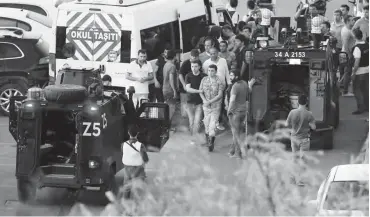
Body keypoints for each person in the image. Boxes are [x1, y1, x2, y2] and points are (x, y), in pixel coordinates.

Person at [225, 69, 256, 159]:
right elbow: (249, 92)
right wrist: (250, 85)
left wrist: (229, 111)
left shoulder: (235, 86)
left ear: (236, 77)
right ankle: (232, 151)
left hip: (235, 113)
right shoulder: (244, 83)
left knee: (236, 134)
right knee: (237, 133)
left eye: (231, 75)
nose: (230, 77)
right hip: (243, 112)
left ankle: (238, 154)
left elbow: (232, 100)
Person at [203, 47, 231, 131]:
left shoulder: (223, 61)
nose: (213, 55)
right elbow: (205, 76)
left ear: (218, 53)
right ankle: (210, 123)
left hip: (222, 87)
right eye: (211, 54)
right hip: (211, 89)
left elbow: (227, 73)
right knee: (211, 106)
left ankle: (218, 122)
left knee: (221, 106)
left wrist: (229, 84)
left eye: (214, 53)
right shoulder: (206, 63)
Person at [199, 64, 225, 152]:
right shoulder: (204, 79)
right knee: (206, 124)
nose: (210, 72)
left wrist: (209, 101)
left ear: (216, 71)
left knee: (212, 125)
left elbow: (220, 95)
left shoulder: (219, 81)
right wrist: (204, 101)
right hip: (206, 107)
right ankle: (208, 140)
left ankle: (211, 143)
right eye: (209, 71)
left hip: (215, 107)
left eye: (212, 71)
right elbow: (200, 91)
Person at [121, 124, 149, 199]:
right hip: (138, 171)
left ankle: (126, 208)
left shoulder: (123, 144)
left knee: (126, 192)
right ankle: (138, 208)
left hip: (127, 170)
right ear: (137, 133)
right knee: (138, 193)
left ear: (128, 133)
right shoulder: (141, 145)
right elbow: (146, 159)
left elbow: (124, 154)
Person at [286, 94, 316, 161]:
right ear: (306, 102)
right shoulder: (309, 114)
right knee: (304, 160)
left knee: (295, 158)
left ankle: (295, 170)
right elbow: (313, 127)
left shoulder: (292, 112)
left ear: (298, 102)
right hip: (304, 140)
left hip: (294, 138)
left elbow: (286, 124)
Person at [185, 60, 207, 145]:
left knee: (197, 121)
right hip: (189, 102)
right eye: (192, 66)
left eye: (196, 66)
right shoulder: (188, 76)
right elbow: (188, 89)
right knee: (191, 121)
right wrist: (199, 91)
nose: (193, 68)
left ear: (200, 67)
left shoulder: (203, 76)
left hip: (199, 102)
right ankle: (194, 137)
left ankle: (195, 137)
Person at [351, 28, 369, 114]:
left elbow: (357, 62)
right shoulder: (367, 45)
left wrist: (353, 73)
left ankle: (360, 108)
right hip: (367, 70)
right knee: (365, 89)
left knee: (357, 90)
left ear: (354, 37)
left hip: (359, 72)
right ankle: (367, 106)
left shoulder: (357, 48)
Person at [341, 15, 356, 96]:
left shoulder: (347, 29)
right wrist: (350, 55)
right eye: (352, 20)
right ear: (347, 22)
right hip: (347, 53)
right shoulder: (346, 31)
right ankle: (345, 90)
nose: (354, 21)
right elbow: (346, 44)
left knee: (346, 71)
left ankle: (345, 89)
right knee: (348, 72)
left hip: (345, 53)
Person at [162, 50, 178, 120]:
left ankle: (165, 123)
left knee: (167, 107)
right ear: (174, 56)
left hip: (164, 89)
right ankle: (169, 125)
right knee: (172, 108)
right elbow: (171, 79)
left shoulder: (166, 64)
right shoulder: (172, 66)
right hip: (170, 89)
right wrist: (174, 90)